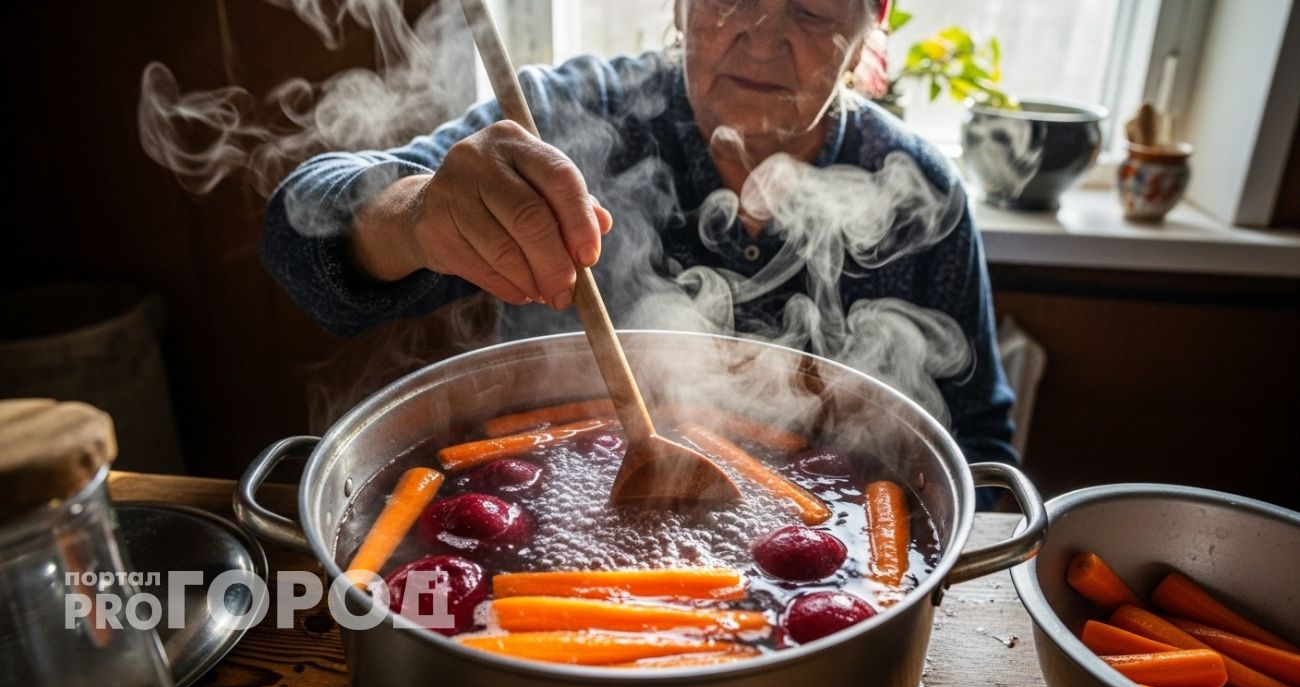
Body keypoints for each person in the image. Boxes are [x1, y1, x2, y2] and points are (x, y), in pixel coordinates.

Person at [262, 0, 1020, 479]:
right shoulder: (562, 119)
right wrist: (415, 215)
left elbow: (979, 444)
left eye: (813, 10)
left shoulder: (917, 189)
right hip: (546, 494)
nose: (761, 36)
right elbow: (298, 230)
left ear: (872, 18)